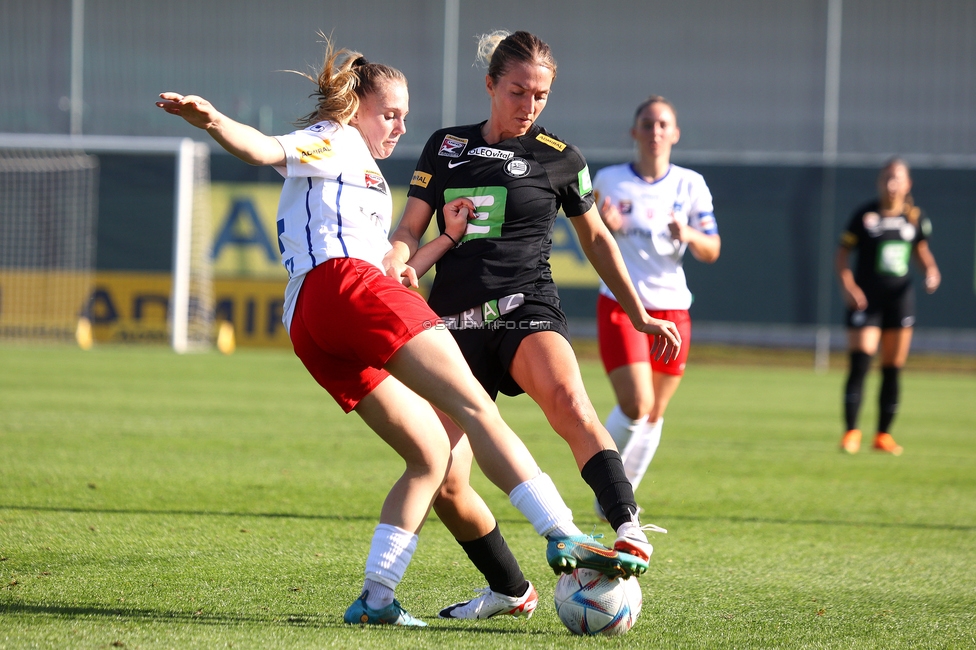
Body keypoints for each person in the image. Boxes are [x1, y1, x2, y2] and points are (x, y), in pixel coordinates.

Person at [156, 39, 638, 628]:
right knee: (475, 409)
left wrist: (445, 241)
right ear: (354, 107)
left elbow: (393, 266)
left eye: (404, 115)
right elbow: (261, 149)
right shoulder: (336, 137)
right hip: (344, 287)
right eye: (390, 112)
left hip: (309, 320)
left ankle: (377, 600)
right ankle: (564, 533)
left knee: (430, 456)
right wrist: (211, 120)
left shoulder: (362, 172)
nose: (401, 125)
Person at [385, 30, 681, 620]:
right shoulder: (445, 147)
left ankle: (628, 528)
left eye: (541, 95)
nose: (530, 105)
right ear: (491, 84)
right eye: (519, 91)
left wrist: (638, 312)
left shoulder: (561, 157)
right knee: (442, 478)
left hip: (526, 309)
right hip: (452, 328)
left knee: (571, 403)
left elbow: (596, 238)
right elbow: (409, 228)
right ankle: (508, 590)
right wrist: (397, 261)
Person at [591, 96, 721, 517]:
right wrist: (606, 228)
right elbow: (589, 237)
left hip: (673, 309)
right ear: (634, 132)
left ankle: (618, 503)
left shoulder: (690, 184)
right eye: (647, 124)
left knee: (654, 413)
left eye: (663, 124)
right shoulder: (609, 181)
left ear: (676, 133)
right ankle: (605, 484)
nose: (655, 132)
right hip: (623, 305)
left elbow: (712, 249)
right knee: (636, 404)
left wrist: (688, 234)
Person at [836, 158, 940, 456]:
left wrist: (931, 271)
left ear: (908, 184)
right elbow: (841, 256)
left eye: (897, 178)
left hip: (899, 300)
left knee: (892, 369)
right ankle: (851, 432)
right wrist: (849, 286)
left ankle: (883, 435)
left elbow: (922, 252)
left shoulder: (915, 218)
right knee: (860, 364)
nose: (891, 183)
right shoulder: (865, 216)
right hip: (867, 301)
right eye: (886, 178)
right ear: (879, 183)